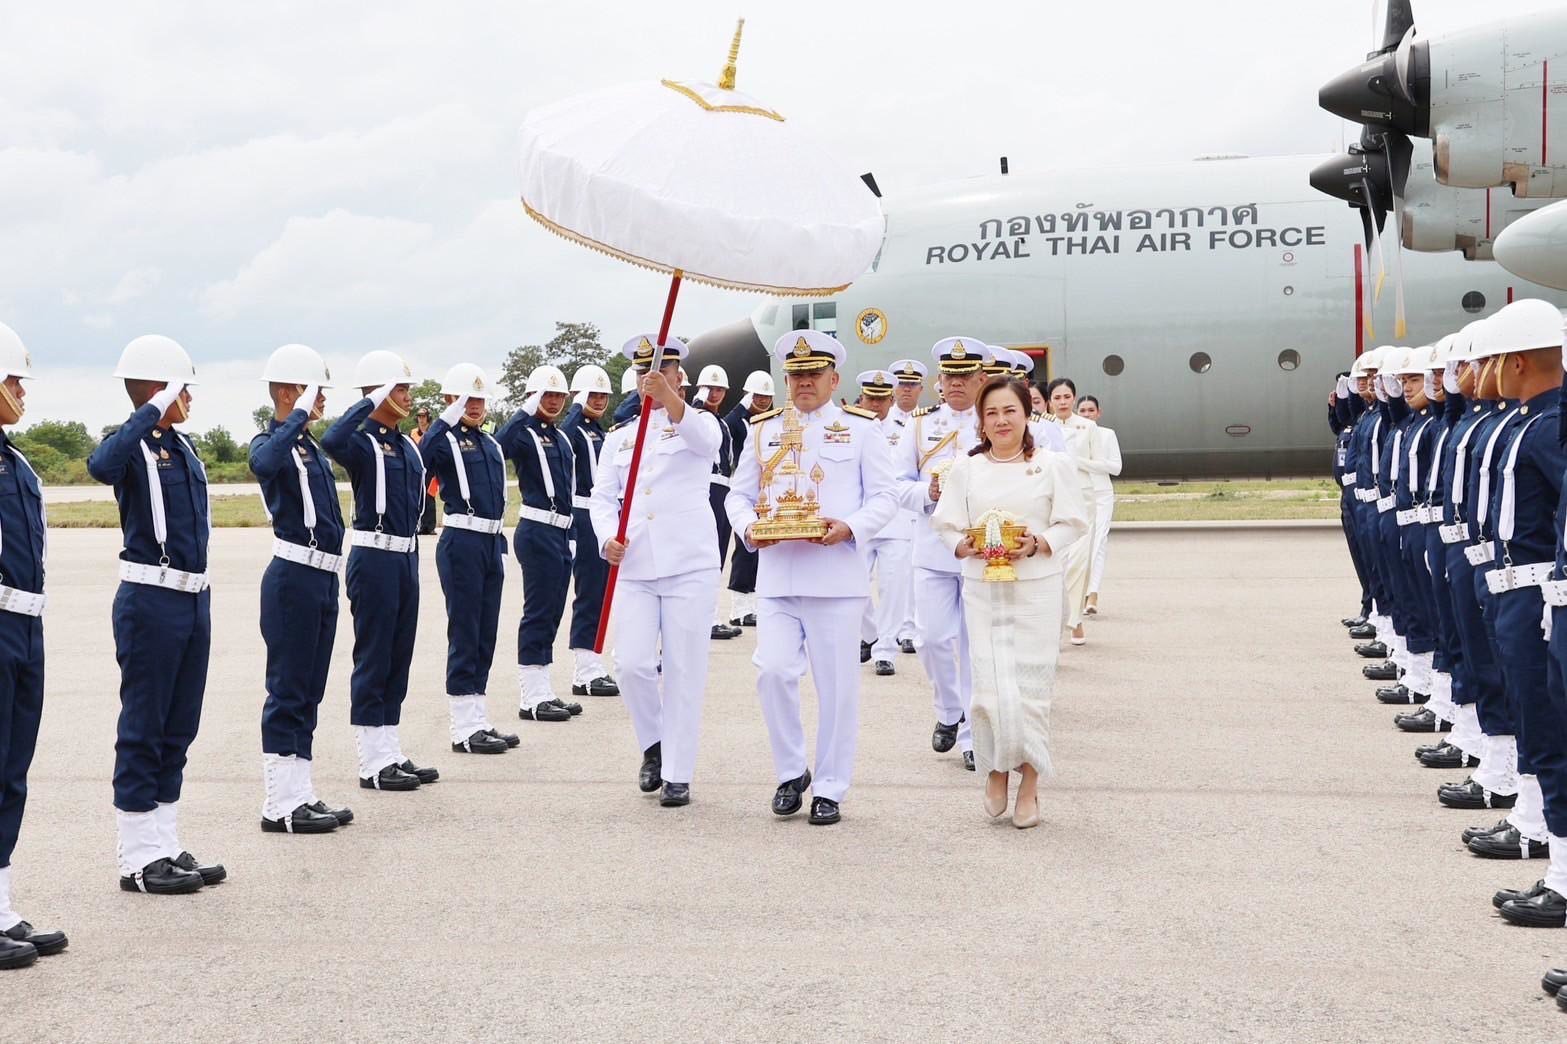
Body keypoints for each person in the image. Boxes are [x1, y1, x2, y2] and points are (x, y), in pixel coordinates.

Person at [726, 331, 897, 825]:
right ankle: (790, 771)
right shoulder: (763, 430)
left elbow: (884, 497)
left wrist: (851, 528)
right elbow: (738, 495)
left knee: (837, 689)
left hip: (836, 579)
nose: (804, 382)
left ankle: (830, 786)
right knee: (773, 672)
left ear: (833, 379)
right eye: (796, 375)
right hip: (779, 576)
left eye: (813, 374)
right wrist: (749, 528)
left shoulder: (860, 429)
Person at [88, 335, 224, 895]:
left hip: (192, 599)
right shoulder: (129, 445)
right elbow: (101, 466)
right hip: (151, 599)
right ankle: (138, 857)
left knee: (178, 725)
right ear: (157, 388)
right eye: (180, 388)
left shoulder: (183, 447)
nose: (188, 397)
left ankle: (164, 841)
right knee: (145, 725)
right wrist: (150, 409)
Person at [931, 376, 1087, 828]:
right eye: (992, 413)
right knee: (990, 687)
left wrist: (1038, 542)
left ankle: (1030, 784)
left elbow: (1074, 521)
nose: (1001, 421)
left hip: (1036, 589)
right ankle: (996, 769)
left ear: (1027, 415)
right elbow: (945, 525)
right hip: (983, 589)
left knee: (1031, 691)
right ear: (981, 421)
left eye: (1010, 411)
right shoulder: (966, 468)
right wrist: (963, 545)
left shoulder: (1052, 465)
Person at [591, 335, 724, 807]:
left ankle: (678, 773)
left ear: (679, 375)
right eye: (645, 370)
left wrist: (669, 399)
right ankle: (654, 744)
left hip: (689, 563)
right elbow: (603, 497)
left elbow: (706, 443)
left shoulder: (699, 422)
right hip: (636, 563)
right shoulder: (621, 436)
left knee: (684, 670)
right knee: (631, 665)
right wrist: (606, 537)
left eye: (663, 369)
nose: (652, 376)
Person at [321, 350, 439, 792]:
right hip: (373, 557)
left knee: (398, 656)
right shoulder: (361, 441)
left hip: (406, 556)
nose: (408, 396)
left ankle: (390, 749)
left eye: (406, 388)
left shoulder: (406, 444)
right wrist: (370, 400)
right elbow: (332, 439)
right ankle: (372, 760)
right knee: (374, 656)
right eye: (399, 389)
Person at [250, 344, 352, 834]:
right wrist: (294, 417)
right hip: (293, 576)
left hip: (323, 577)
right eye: (316, 391)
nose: (323, 400)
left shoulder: (309, 446)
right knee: (288, 689)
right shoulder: (269, 441)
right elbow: (265, 463)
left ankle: (300, 792)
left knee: (310, 691)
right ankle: (279, 803)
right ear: (290, 392)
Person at [0, 323, 65, 965]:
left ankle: (0, 906)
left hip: (24, 624)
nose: (22, 391)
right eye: (13, 380)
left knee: (10, 773)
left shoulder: (16, 462)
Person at [894, 337, 990, 770]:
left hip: (979, 550)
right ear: (939, 380)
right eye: (950, 376)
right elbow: (896, 485)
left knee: (973, 647)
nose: (956, 383)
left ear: (981, 379)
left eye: (965, 376)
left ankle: (971, 734)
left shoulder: (993, 421)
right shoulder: (919, 426)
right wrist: (926, 492)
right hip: (933, 549)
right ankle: (949, 710)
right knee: (931, 639)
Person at [418, 363, 520, 756]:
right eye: (465, 399)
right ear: (449, 400)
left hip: (491, 542)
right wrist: (443, 419)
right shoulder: (443, 439)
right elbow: (422, 457)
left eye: (478, 399)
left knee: (485, 633)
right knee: (465, 631)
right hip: (461, 540)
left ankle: (478, 717)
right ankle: (463, 726)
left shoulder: (489, 443)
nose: (474, 405)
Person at [496, 365, 583, 723]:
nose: (554, 401)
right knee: (538, 611)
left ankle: (544, 688)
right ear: (533, 397)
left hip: (561, 531)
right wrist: (524, 410)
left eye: (559, 396)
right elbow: (499, 445)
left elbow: (568, 490)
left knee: (552, 612)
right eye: (546, 395)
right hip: (536, 529)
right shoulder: (523, 434)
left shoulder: (560, 437)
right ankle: (531, 696)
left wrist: (572, 535)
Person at [560, 365, 620, 699]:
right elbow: (565, 441)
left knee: (601, 591)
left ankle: (593, 662)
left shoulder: (599, 431)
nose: (598, 400)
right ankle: (584, 669)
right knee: (589, 591)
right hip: (581, 513)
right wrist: (574, 407)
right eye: (591, 395)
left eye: (602, 395)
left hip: (601, 513)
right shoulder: (573, 429)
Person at [854, 369, 915, 675]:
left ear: (891, 400)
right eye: (870, 398)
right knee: (854, 584)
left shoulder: (905, 430)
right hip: (859, 520)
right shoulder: (848, 429)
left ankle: (885, 650)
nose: (876, 405)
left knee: (893, 589)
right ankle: (870, 634)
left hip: (896, 519)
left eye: (881, 399)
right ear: (861, 399)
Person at [1045, 377, 1100, 644]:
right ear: (1049, 401)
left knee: (1079, 562)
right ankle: (1055, 620)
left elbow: (1101, 463)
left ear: (1074, 398)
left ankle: (1075, 620)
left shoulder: (1088, 427)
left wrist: (1075, 462)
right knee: (1057, 563)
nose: (1063, 402)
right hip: (1053, 499)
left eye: (1067, 397)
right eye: (1057, 397)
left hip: (1083, 498)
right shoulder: (1043, 426)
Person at [692, 364, 741, 640]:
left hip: (723, 488)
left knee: (719, 552)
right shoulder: (696, 416)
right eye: (709, 388)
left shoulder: (721, 422)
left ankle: (710, 615)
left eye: (719, 389)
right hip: (706, 487)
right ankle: (704, 617)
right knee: (705, 553)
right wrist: (698, 404)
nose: (714, 393)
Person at [723, 371, 773, 627]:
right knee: (744, 548)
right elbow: (724, 426)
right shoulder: (736, 421)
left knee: (760, 550)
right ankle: (739, 608)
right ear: (747, 395)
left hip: (766, 491)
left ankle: (751, 604)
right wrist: (740, 409)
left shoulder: (769, 423)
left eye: (766, 396)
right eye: (757, 395)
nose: (762, 400)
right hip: (741, 489)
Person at [1075, 394, 1123, 614]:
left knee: (1099, 542)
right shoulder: (1072, 434)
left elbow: (1115, 467)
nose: (1087, 414)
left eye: (1090, 410)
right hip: (1078, 495)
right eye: (1083, 411)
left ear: (1098, 412)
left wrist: (1082, 463)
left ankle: (1092, 593)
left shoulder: (1107, 434)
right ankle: (1079, 592)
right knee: (1080, 545)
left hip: (1102, 494)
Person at [410, 408, 439, 535]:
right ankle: (420, 525)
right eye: (419, 417)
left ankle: (430, 526)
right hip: (417, 468)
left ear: (428, 418)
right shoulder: (412, 433)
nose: (421, 419)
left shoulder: (433, 432)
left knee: (430, 497)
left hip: (431, 469)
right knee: (418, 497)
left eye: (424, 416)